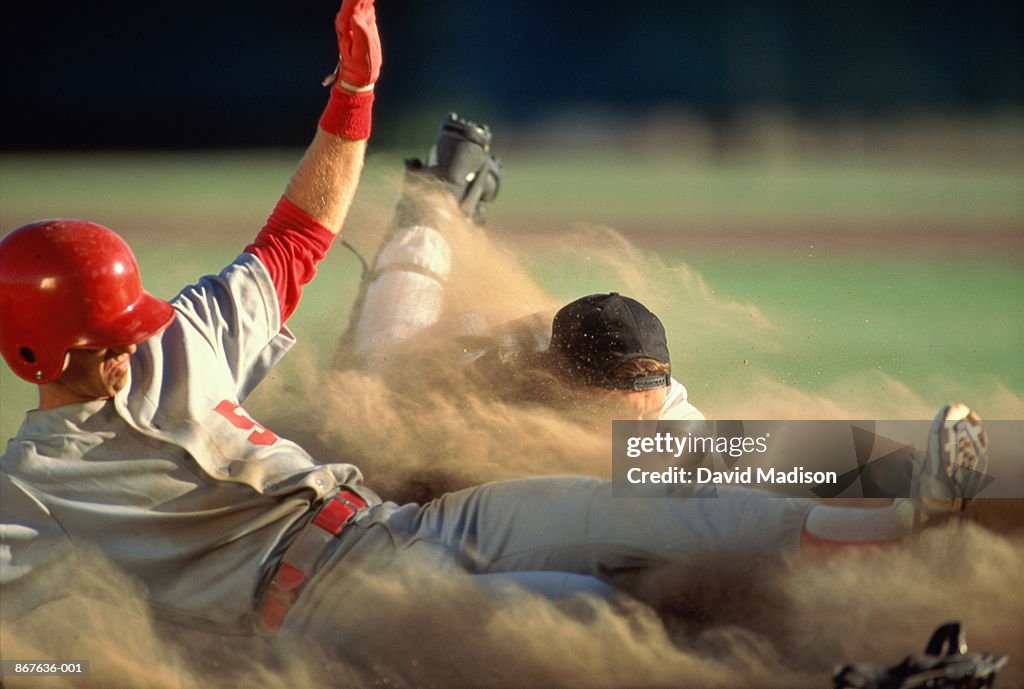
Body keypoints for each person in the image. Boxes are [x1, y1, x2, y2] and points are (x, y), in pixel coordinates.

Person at [0, 0, 990, 663]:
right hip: (339, 600)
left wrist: (350, 102)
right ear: (37, 357)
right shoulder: (33, 487)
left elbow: (297, 238)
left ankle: (926, 489)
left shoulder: (202, 342)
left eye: (129, 322)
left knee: (696, 494)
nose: (133, 341)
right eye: (105, 337)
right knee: (601, 619)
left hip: (403, 521)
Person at [336, 112, 703, 423]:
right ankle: (435, 207)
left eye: (650, 414)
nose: (641, 432)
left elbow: (734, 465)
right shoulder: (487, 384)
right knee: (380, 366)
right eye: (620, 417)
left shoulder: (657, 398)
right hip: (439, 356)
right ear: (560, 381)